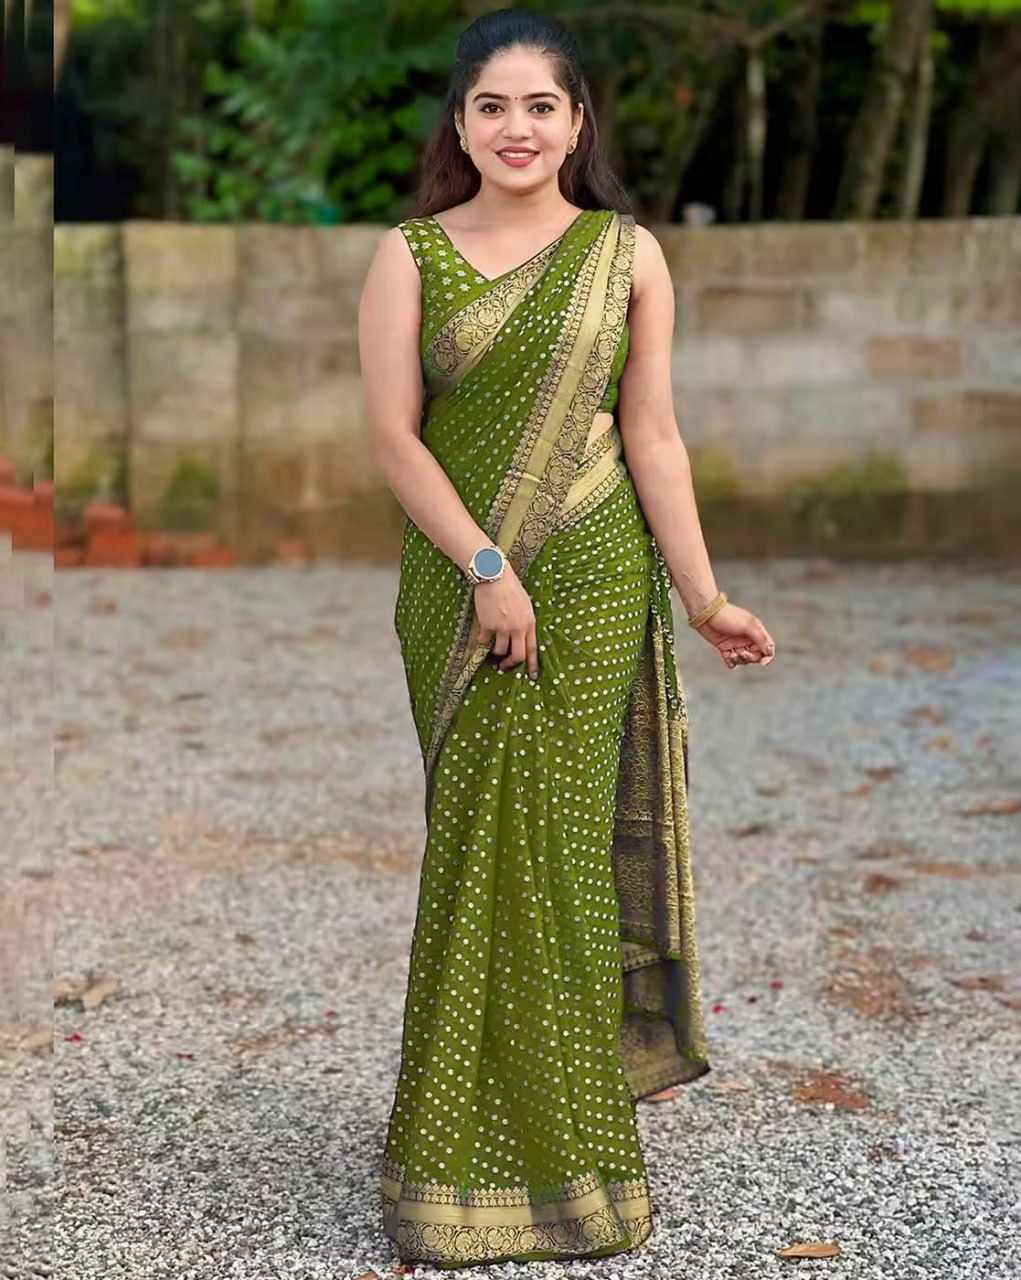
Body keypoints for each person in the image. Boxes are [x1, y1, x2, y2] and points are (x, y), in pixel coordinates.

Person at [357, 8, 775, 1270]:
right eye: (491, 106)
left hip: (595, 582)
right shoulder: (411, 256)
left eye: (541, 105)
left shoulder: (626, 254)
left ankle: (575, 1161)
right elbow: (394, 440)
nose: (517, 128)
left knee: (563, 860)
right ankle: (454, 1158)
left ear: (576, 120)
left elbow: (652, 431)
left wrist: (703, 596)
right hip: (460, 589)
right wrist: (486, 567)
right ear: (460, 123)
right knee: (479, 855)